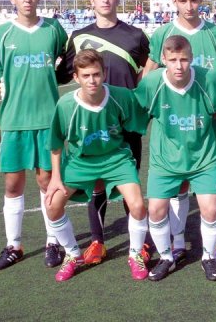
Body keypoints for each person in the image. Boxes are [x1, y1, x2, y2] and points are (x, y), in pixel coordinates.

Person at [56, 0, 150, 266]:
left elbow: (150, 69)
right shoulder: (78, 36)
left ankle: (139, 244)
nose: (106, 0)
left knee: (129, 181)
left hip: (125, 119)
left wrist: (138, 95)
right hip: (92, 123)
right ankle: (97, 242)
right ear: (92, 1)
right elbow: (62, 74)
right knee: (96, 183)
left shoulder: (136, 35)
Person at [142, 0, 216, 265]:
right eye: (183, 1)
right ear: (175, 2)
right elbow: (149, 74)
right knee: (178, 184)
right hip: (173, 122)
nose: (189, 6)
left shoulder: (215, 33)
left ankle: (211, 247)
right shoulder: (163, 34)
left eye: (194, 0)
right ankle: (178, 241)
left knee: (206, 185)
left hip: (208, 122)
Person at [134, 35, 216, 282]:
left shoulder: (208, 79)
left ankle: (208, 257)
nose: (179, 66)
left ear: (192, 58)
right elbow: (136, 107)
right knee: (156, 210)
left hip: (203, 157)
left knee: (210, 208)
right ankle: (166, 257)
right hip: (165, 159)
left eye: (183, 59)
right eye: (172, 60)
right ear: (163, 59)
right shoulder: (152, 83)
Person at [0, 0, 68, 271]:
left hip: (48, 120)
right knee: (13, 183)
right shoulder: (2, 34)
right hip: (14, 121)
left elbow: (69, 61)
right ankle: (14, 245)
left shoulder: (53, 29)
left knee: (47, 181)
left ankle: (53, 241)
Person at [45, 49, 149, 282]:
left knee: (138, 205)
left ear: (104, 74)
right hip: (80, 161)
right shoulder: (66, 105)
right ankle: (72, 254)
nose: (92, 80)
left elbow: (145, 111)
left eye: (96, 74)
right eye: (86, 76)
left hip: (116, 158)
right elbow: (55, 143)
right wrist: (55, 178)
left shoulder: (121, 96)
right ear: (76, 77)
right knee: (52, 205)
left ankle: (135, 254)